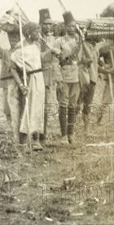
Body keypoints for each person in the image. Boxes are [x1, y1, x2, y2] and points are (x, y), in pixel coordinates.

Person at [10, 22, 46, 151]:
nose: (39, 34)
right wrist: (21, 85)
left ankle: (35, 140)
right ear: (29, 33)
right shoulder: (20, 46)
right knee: (27, 110)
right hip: (29, 80)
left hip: (39, 79)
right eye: (36, 32)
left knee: (38, 109)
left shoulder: (36, 45)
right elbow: (12, 68)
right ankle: (23, 144)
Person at [54, 12, 81, 144]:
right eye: (69, 26)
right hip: (64, 76)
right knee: (63, 105)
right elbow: (54, 62)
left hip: (76, 76)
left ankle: (71, 134)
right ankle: (63, 135)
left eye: (74, 26)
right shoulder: (59, 41)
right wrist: (58, 79)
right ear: (65, 27)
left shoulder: (79, 40)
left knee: (73, 105)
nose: (72, 28)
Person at [39, 8, 60, 141]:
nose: (48, 26)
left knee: (51, 104)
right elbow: (37, 57)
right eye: (45, 24)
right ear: (41, 25)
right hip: (41, 74)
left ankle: (48, 133)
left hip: (53, 74)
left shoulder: (54, 39)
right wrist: (49, 52)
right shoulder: (37, 39)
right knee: (42, 105)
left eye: (50, 24)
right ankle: (40, 133)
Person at [78, 35, 99, 132]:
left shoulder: (95, 47)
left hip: (92, 79)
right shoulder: (82, 45)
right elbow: (80, 61)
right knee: (77, 104)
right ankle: (71, 129)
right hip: (83, 78)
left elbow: (95, 65)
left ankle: (86, 129)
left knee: (88, 105)